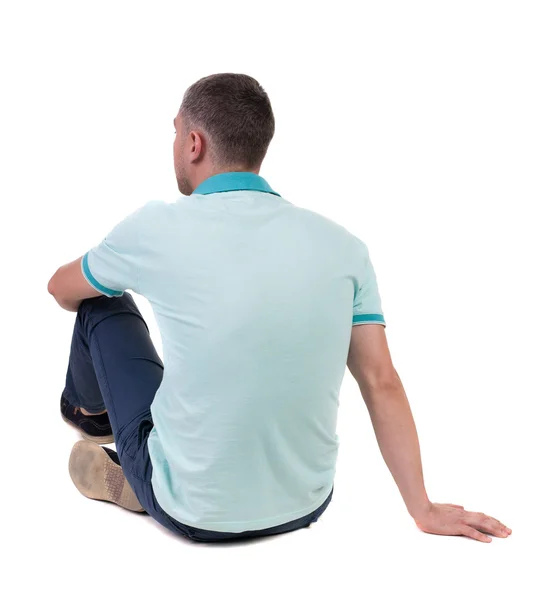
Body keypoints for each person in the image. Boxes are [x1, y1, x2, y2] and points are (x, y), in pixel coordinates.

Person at [48, 72, 511, 544]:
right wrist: (423, 509)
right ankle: (158, 462)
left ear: (193, 143)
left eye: (174, 132)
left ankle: (94, 421)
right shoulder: (343, 247)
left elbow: (60, 289)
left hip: (193, 511)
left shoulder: (155, 227)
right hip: (307, 501)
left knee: (100, 302)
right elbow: (380, 379)